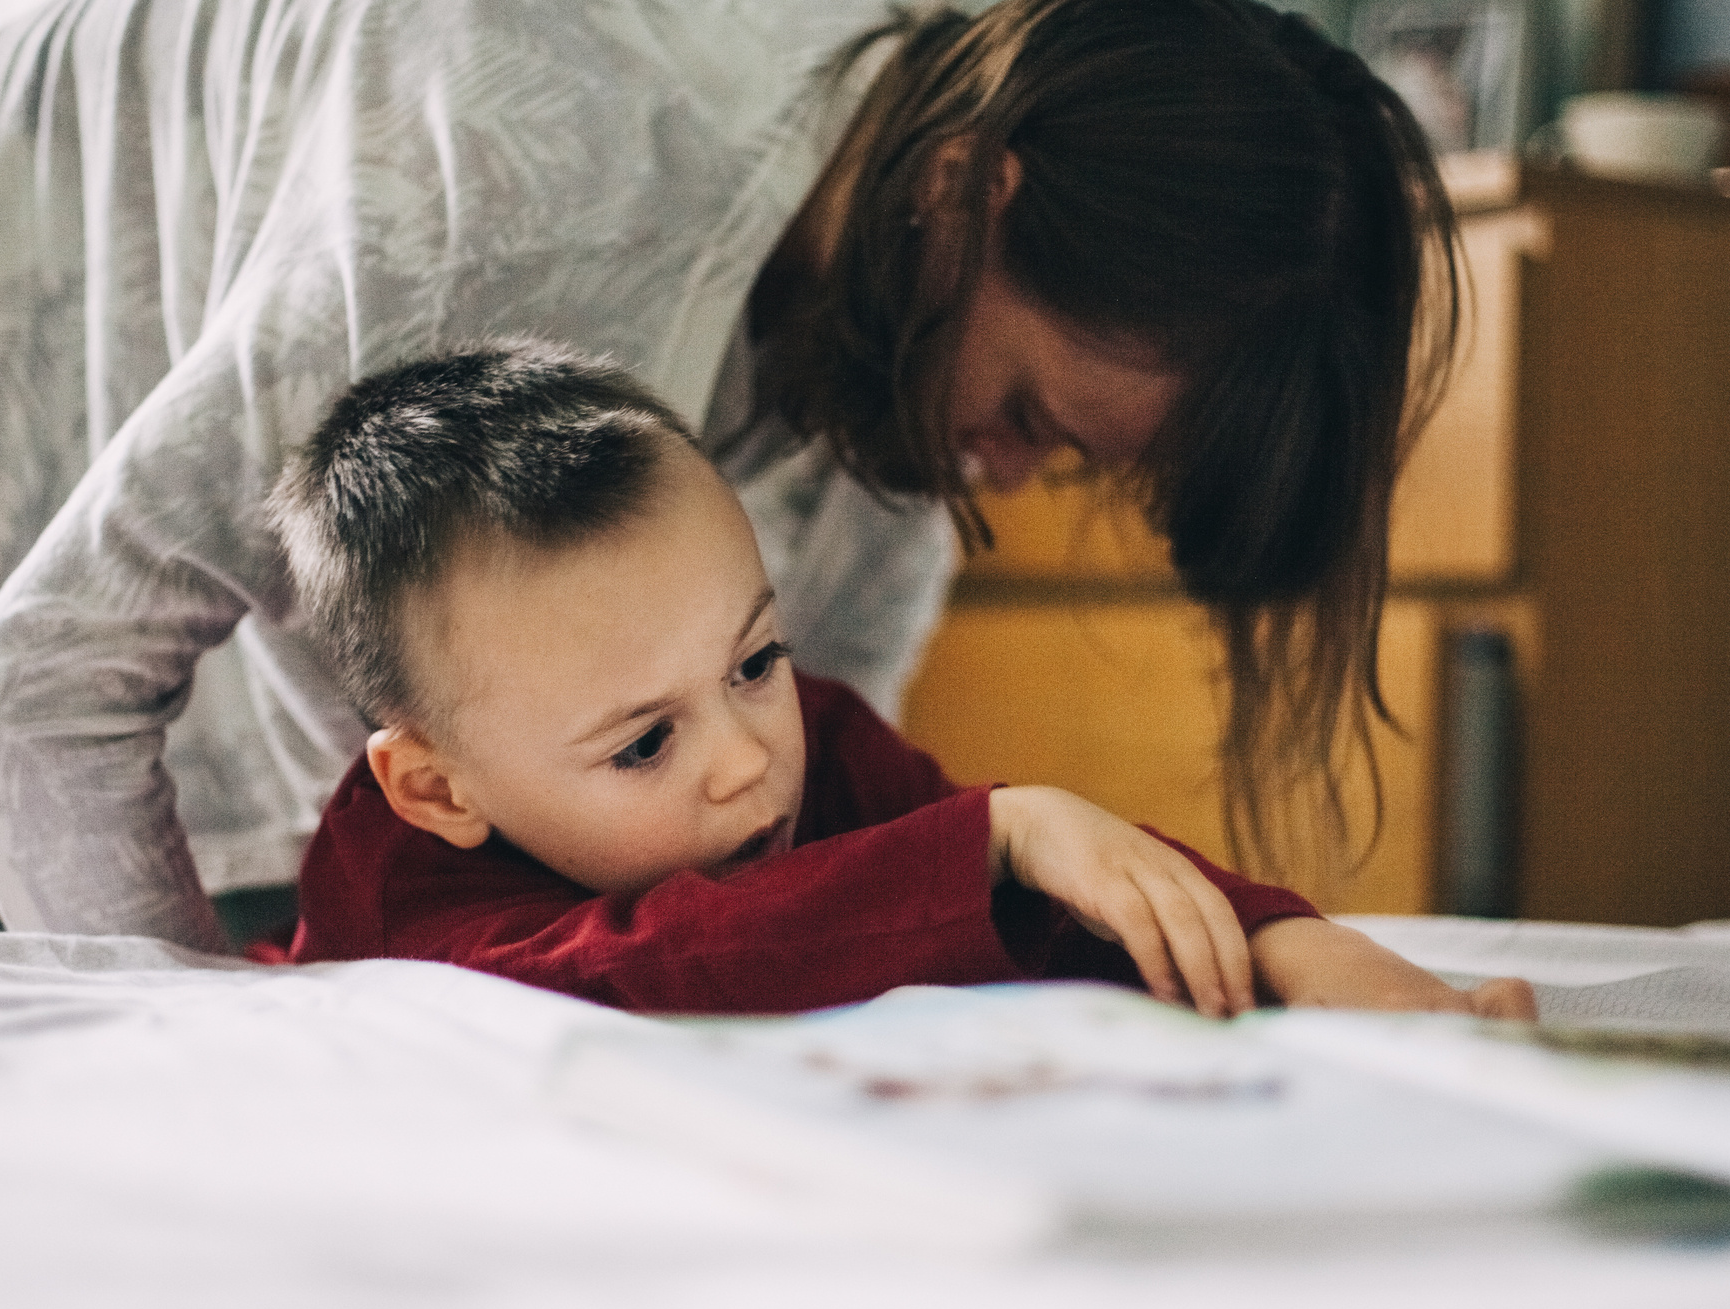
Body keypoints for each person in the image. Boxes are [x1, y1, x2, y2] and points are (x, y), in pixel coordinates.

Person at [0, 0, 1455, 954]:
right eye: (1029, 412)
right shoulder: (500, 162)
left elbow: (771, 904)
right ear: (974, 189)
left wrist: (1269, 931)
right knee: (0, 1090)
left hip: (263, 413)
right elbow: (31, 697)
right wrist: (216, 1083)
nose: (989, 474)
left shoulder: (891, 407)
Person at [276, 342, 1532, 1022]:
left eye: (752, 660)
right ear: (439, 787)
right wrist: (998, 834)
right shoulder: (403, 892)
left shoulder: (797, 733)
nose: (746, 756)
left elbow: (1027, 886)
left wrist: (1275, 939)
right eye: (643, 746)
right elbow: (646, 962)